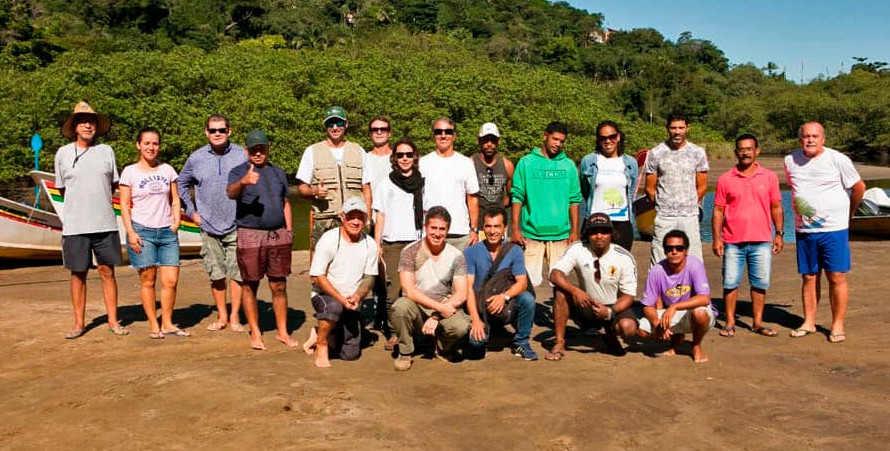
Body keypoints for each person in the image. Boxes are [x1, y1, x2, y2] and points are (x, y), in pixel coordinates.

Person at [784, 122, 865, 343]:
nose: (810, 140)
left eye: (815, 136)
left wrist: (849, 213)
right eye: (806, 136)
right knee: (809, 276)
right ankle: (809, 322)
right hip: (805, 230)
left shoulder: (837, 159)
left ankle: (837, 324)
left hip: (834, 229)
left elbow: (859, 187)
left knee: (836, 277)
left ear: (823, 139)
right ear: (800, 139)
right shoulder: (790, 160)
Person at [54, 101, 128, 338]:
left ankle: (114, 321)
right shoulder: (62, 153)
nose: (88, 125)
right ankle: (78, 323)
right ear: (75, 126)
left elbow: (114, 185)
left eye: (92, 121)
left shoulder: (107, 151)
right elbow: (63, 190)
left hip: (105, 223)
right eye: (83, 121)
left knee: (108, 271)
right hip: (75, 226)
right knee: (78, 273)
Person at [226, 130, 295, 350]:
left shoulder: (278, 173)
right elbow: (230, 193)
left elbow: (285, 202)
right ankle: (255, 332)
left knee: (279, 284)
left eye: (262, 148)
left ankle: (282, 332)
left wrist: (290, 231)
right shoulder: (237, 171)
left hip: (278, 234)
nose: (258, 153)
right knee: (250, 284)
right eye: (253, 149)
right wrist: (244, 182)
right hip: (250, 233)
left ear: (267, 149)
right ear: (246, 151)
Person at [178, 114, 247, 332]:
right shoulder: (196, 158)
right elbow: (181, 183)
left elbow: (254, 180)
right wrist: (191, 212)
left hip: (237, 224)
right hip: (208, 225)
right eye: (213, 130)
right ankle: (222, 316)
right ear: (206, 132)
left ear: (230, 131)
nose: (218, 134)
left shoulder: (241, 155)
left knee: (237, 274)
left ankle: (235, 316)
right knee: (216, 274)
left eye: (222, 130)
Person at [712, 133, 784, 338]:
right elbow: (718, 210)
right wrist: (717, 239)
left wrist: (779, 234)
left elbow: (776, 206)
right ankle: (730, 322)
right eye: (741, 149)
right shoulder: (726, 179)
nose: (745, 153)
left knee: (760, 283)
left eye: (749, 149)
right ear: (736, 152)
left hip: (761, 240)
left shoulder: (769, 177)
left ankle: (758, 322)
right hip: (733, 241)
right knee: (730, 282)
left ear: (757, 151)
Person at [119, 127, 187, 339]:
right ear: (138, 145)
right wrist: (130, 232)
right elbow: (123, 205)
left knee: (171, 280)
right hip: (142, 231)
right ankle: (154, 325)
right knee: (148, 280)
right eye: (147, 143)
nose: (151, 147)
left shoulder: (167, 170)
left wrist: (176, 222)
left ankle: (167, 322)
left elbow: (175, 199)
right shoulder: (129, 172)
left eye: (155, 143)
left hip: (167, 233)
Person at [390, 206, 472, 371]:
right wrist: (439, 308)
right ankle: (405, 351)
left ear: (448, 230)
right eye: (433, 228)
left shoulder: (456, 255)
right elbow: (409, 289)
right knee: (400, 307)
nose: (437, 233)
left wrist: (436, 315)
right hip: (418, 306)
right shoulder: (410, 252)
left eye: (442, 229)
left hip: (444, 306)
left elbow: (462, 293)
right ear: (425, 227)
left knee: (461, 325)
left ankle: (442, 346)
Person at [547, 213, 638, 360]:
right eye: (594, 232)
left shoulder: (624, 257)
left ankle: (611, 334)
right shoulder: (578, 248)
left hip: (612, 306)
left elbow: (629, 295)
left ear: (612, 234)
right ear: (587, 234)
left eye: (604, 231)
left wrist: (609, 311)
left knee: (628, 327)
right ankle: (559, 342)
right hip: (585, 303)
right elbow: (555, 274)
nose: (599, 236)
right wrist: (576, 291)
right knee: (560, 292)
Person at [304, 197, 378, 367]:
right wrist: (341, 298)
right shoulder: (329, 239)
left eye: (360, 217)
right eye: (351, 217)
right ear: (342, 217)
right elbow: (318, 276)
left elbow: (369, 277)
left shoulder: (370, 244)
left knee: (350, 355)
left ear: (366, 219)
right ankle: (322, 343)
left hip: (351, 301)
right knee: (333, 307)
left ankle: (323, 332)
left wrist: (358, 296)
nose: (356, 221)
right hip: (324, 295)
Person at [511, 121, 582, 289]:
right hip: (531, 234)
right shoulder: (526, 163)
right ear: (545, 136)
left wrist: (574, 231)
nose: (558, 144)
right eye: (555, 139)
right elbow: (517, 196)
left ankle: (559, 316)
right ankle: (528, 315)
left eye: (562, 141)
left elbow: (574, 199)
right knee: (526, 284)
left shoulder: (569, 165)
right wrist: (515, 229)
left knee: (560, 284)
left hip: (560, 235)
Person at [465, 206, 538, 361]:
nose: (492, 231)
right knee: (476, 347)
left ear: (505, 228)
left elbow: (522, 283)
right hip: (481, 307)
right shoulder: (471, 252)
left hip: (506, 304)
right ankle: (486, 330)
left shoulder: (514, 251)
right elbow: (468, 289)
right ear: (482, 228)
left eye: (497, 226)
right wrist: (476, 320)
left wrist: (503, 297)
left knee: (527, 299)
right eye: (488, 226)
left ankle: (521, 342)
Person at [372, 138, 425, 349]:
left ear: (414, 157)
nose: (405, 159)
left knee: (415, 288)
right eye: (400, 155)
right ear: (394, 158)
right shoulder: (387, 183)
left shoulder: (422, 182)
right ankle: (394, 333)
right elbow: (380, 215)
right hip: (392, 244)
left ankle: (413, 329)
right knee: (392, 290)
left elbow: (428, 212)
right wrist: (377, 244)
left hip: (416, 242)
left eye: (408, 155)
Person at [296, 106, 371, 249]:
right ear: (325, 126)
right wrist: (314, 191)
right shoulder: (311, 151)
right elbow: (301, 188)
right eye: (331, 123)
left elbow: (366, 189)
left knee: (355, 267)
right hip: (325, 224)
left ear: (346, 124)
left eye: (339, 123)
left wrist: (367, 219)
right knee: (323, 268)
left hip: (354, 222)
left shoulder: (359, 151)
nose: (335, 127)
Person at [637, 229, 716, 363]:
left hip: (692, 312)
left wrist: (674, 307)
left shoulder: (695, 265)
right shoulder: (656, 271)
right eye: (669, 248)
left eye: (679, 248)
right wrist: (657, 324)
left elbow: (704, 298)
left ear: (686, 250)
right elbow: (646, 306)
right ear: (664, 251)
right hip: (671, 314)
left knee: (700, 313)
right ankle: (676, 339)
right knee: (639, 329)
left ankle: (696, 346)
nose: (674, 252)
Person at [644, 112, 709, 266]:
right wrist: (663, 205)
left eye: (681, 127)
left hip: (690, 215)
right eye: (673, 128)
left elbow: (702, 186)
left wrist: (690, 203)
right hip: (665, 216)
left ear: (687, 128)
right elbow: (649, 188)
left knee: (694, 259)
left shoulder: (697, 152)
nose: (677, 132)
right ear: (667, 128)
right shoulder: (656, 153)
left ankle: (695, 290)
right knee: (659, 258)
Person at [420, 117, 480, 250]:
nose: (443, 135)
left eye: (448, 132)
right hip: (430, 233)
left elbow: (472, 198)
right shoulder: (422, 163)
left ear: (454, 136)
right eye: (438, 132)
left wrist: (474, 229)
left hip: (460, 234)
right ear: (433, 135)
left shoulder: (466, 163)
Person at [579, 121, 639, 251]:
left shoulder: (630, 163)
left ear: (618, 137)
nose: (607, 141)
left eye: (611, 137)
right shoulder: (588, 161)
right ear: (598, 139)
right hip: (595, 220)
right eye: (603, 138)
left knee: (619, 266)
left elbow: (631, 190)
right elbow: (585, 190)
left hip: (622, 222)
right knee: (591, 266)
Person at [365, 117, 394, 334]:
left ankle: (390, 316)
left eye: (383, 129)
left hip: (397, 221)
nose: (379, 132)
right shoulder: (365, 159)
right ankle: (379, 313)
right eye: (375, 129)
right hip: (373, 220)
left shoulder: (400, 156)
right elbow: (365, 189)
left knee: (391, 271)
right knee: (375, 271)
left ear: (390, 133)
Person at [471, 123, 514, 229]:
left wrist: (498, 207)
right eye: (485, 140)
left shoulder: (507, 165)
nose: (489, 144)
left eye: (493, 140)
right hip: (477, 225)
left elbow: (511, 196)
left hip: (499, 226)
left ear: (499, 141)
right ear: (479, 140)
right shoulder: (470, 163)